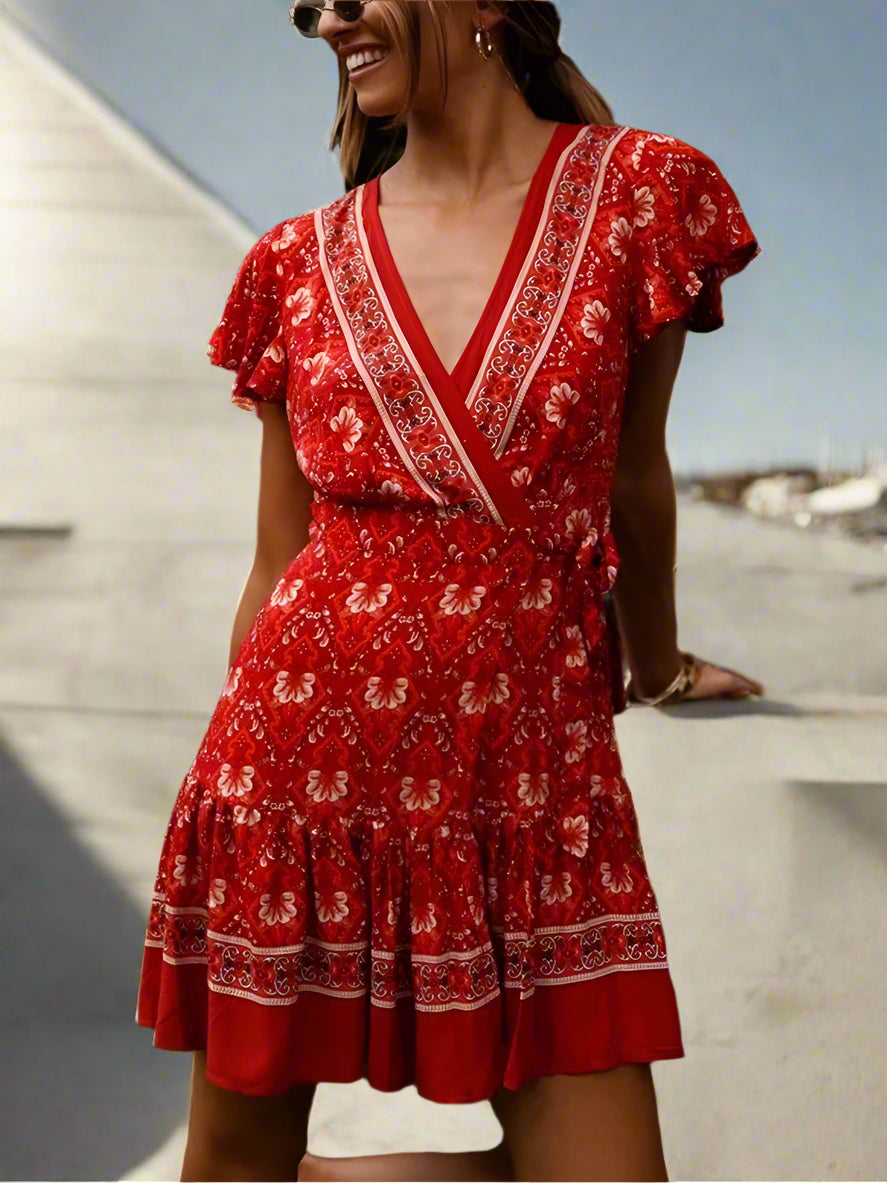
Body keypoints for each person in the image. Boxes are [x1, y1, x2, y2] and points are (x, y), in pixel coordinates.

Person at [135, 2, 765, 1179]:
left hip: (533, 789)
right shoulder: (294, 261)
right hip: (296, 784)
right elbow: (276, 561)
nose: (326, 18)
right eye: (310, 2)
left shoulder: (641, 192)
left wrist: (658, 666)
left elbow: (633, 480)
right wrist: (231, 792)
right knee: (233, 1165)